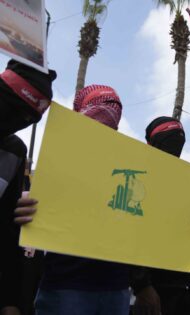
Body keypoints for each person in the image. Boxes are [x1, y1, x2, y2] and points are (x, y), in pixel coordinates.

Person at [15, 84, 131, 315]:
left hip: (116, 288)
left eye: (111, 112)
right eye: (97, 110)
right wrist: (19, 210)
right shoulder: (57, 162)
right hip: (66, 287)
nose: (104, 118)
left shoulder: (131, 166)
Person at [131, 116, 190, 315]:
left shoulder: (183, 182)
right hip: (157, 286)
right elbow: (133, 231)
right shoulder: (138, 176)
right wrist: (142, 284)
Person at [0, 59, 56, 315]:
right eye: (13, 108)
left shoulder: (13, 150)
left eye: (29, 118)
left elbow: (8, 232)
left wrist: (10, 301)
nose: (19, 121)